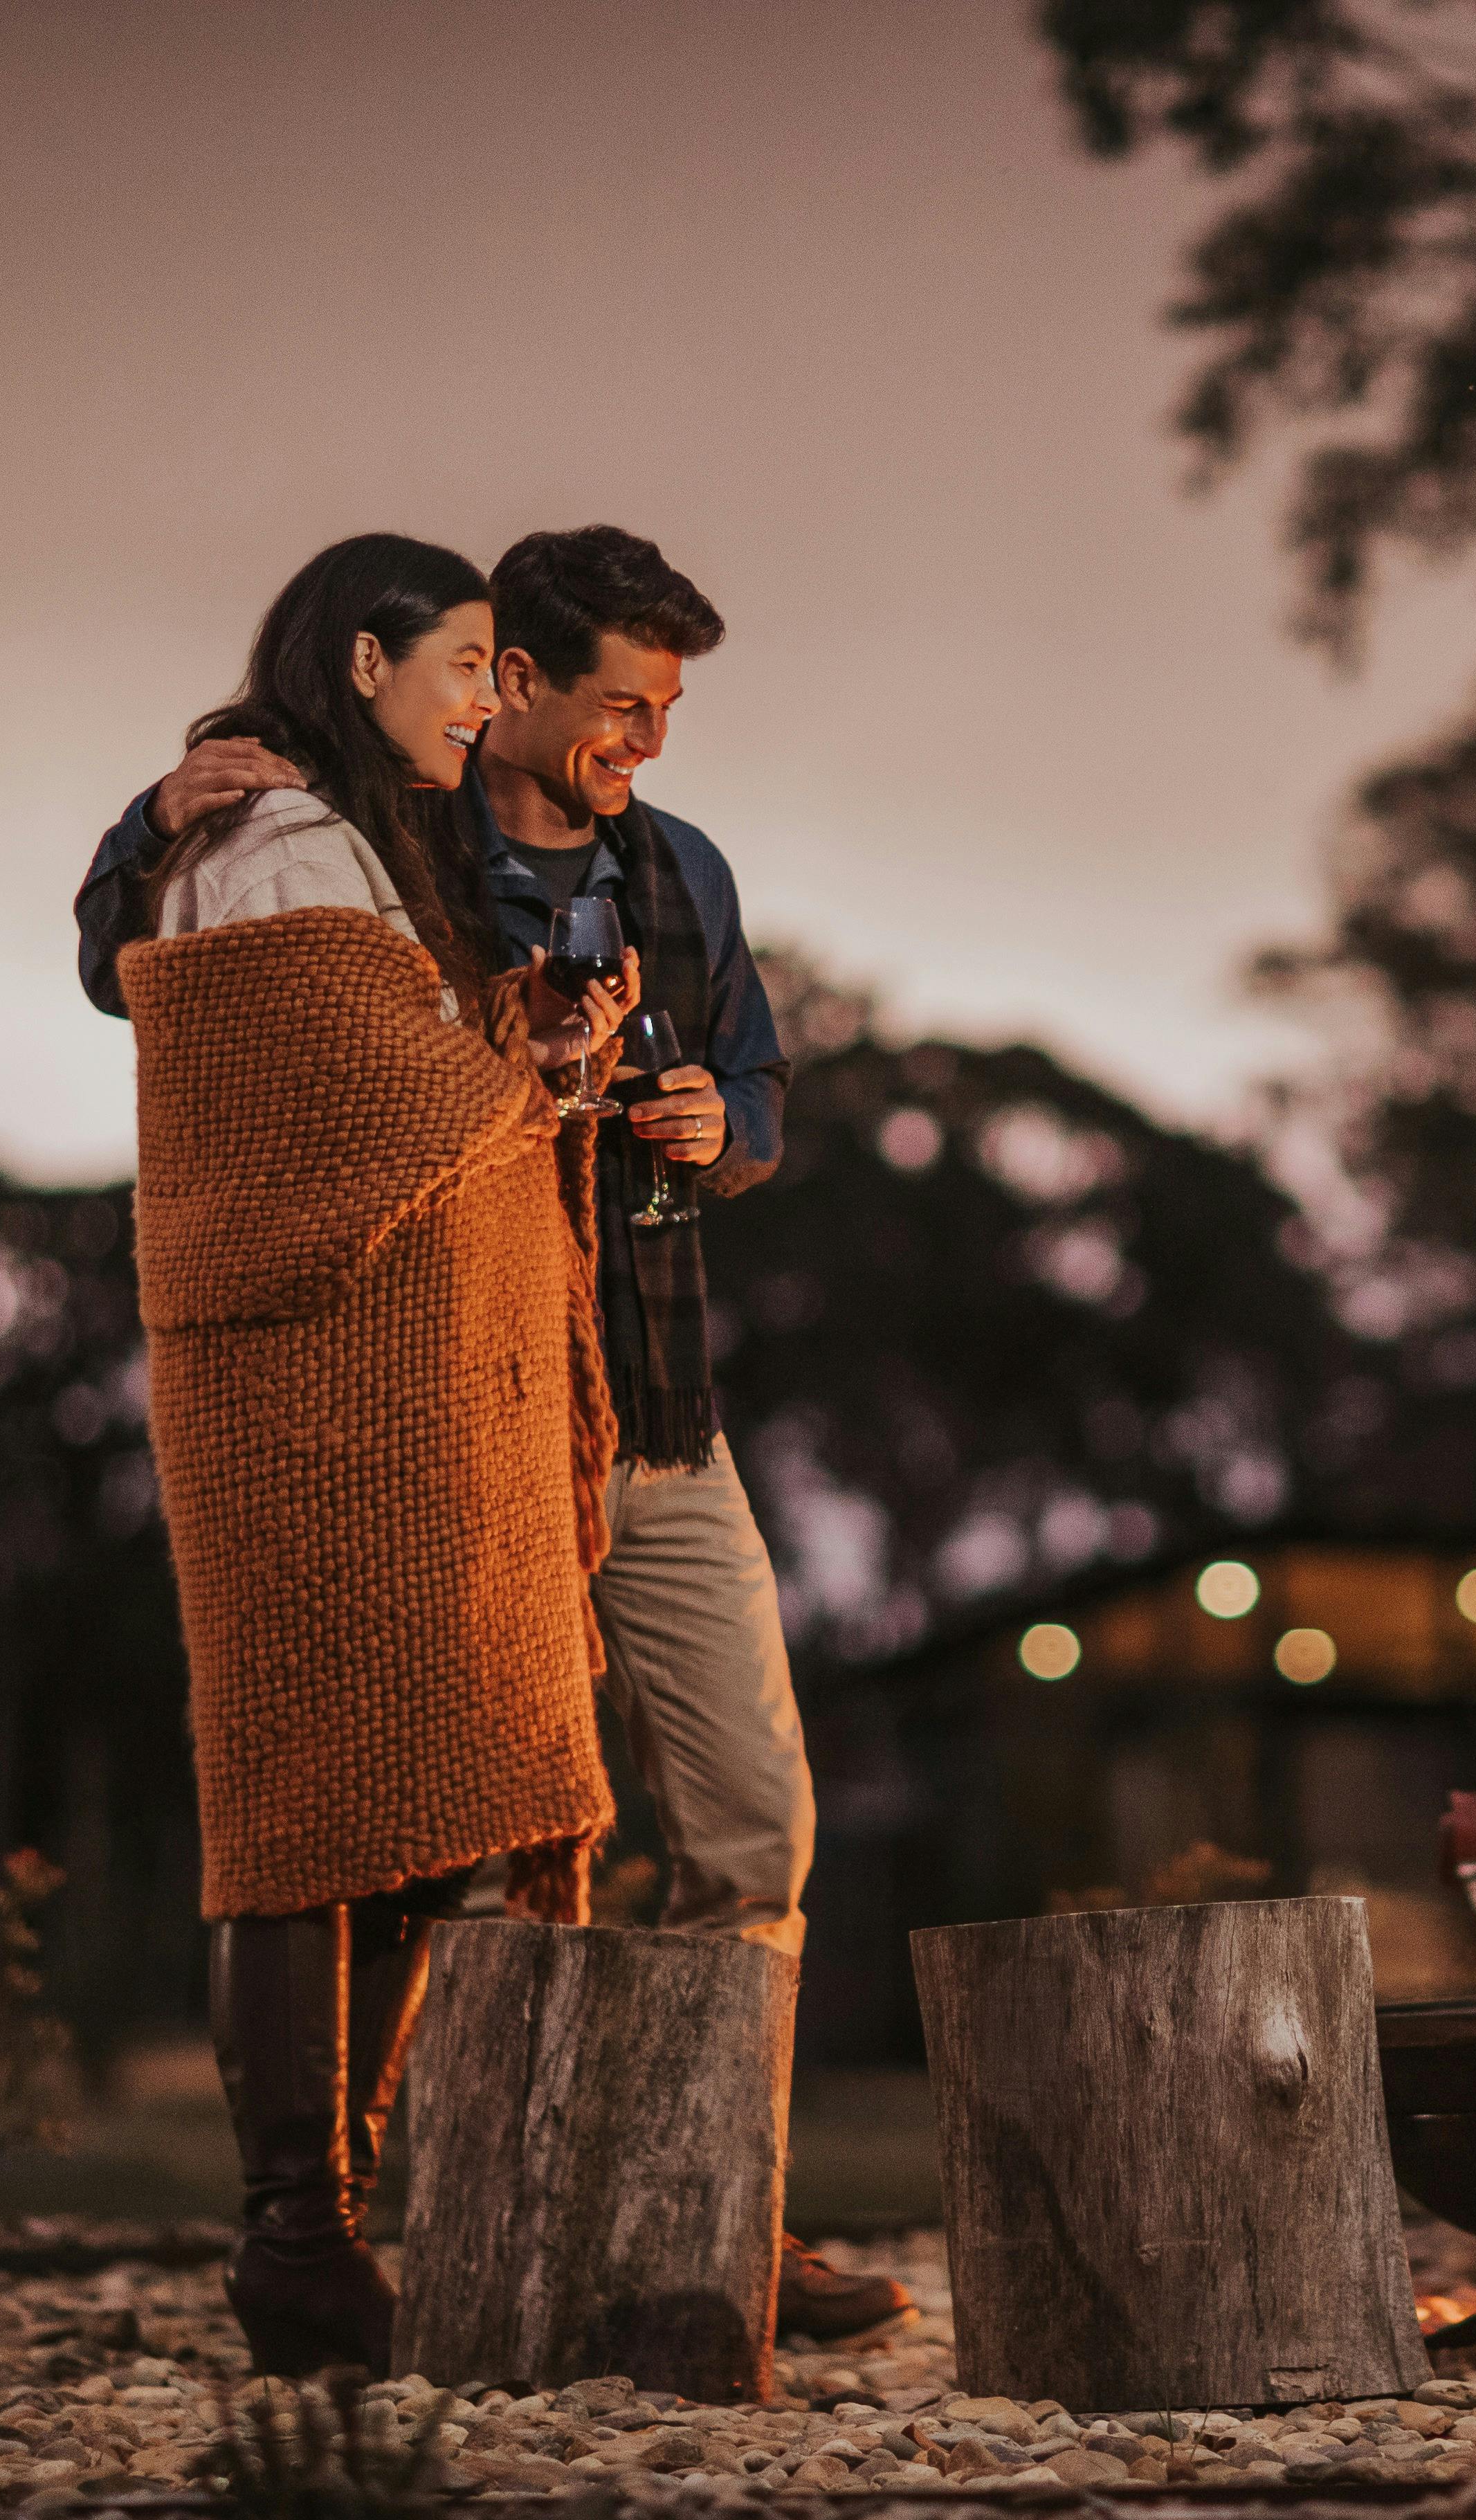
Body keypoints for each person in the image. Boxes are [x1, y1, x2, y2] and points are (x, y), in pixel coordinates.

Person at [75, 526, 911, 2344]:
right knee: (473, 1809)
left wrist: (714, 1125)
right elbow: (151, 971)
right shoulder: (379, 831)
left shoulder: (678, 872)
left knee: (747, 1821)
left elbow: (759, 1082)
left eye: (667, 708)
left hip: (649, 1397)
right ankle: (478, 2222)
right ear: (508, 681)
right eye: (621, 702)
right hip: (439, 1409)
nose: (650, 743)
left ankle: (716, 2212)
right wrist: (147, 823)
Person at [120, 532, 639, 2377]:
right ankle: (299, 2233)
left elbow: (430, 1081)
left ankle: (329, 2210)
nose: (491, 697)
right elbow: (350, 1094)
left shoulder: (367, 847)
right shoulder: (265, 837)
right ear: (360, 661)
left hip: (403, 1398)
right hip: (305, 1394)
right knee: (308, 1810)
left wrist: (529, 1046)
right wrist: (516, 1068)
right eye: (467, 661)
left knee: (417, 1810)